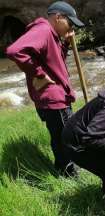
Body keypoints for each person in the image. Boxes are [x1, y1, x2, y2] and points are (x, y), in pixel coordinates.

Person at [6, 1, 85, 176]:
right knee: (67, 138)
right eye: (70, 23)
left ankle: (62, 169)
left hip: (53, 97)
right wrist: (39, 74)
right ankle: (70, 174)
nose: (71, 28)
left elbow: (53, 59)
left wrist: (64, 43)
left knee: (59, 137)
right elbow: (14, 51)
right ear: (58, 17)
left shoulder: (52, 34)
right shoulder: (43, 30)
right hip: (53, 98)